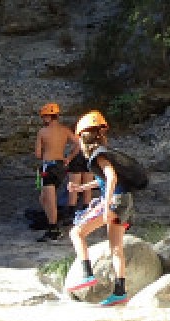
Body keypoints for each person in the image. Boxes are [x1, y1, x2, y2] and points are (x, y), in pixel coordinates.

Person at [66, 110, 134, 306]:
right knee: (116, 248)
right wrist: (81, 188)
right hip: (125, 203)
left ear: (83, 139)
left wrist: (106, 205)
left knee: (76, 233)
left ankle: (87, 275)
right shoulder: (106, 154)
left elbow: (111, 178)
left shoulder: (98, 157)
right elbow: (103, 180)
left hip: (115, 202)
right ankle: (120, 292)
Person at [34, 102, 82, 242]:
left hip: (48, 166)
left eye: (44, 117)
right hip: (61, 166)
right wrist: (69, 158)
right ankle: (53, 220)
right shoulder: (65, 130)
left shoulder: (42, 132)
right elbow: (78, 143)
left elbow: (37, 154)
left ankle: (53, 229)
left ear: (49, 117)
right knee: (44, 198)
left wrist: (46, 154)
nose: (43, 120)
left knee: (49, 199)